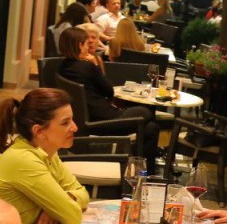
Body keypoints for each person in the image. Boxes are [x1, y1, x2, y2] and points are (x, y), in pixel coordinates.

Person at [0, 88, 88, 224]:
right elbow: (73, 216)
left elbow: (82, 193)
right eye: (65, 123)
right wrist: (58, 207)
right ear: (39, 131)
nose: (75, 128)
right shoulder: (24, 160)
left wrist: (53, 209)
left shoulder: (47, 152)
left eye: (72, 120)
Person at [55, 29, 159, 168]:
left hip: (89, 120)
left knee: (151, 128)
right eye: (86, 44)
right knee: (146, 111)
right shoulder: (86, 66)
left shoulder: (62, 67)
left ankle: (139, 166)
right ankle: (144, 169)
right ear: (80, 45)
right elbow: (109, 91)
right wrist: (96, 65)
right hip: (105, 122)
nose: (88, 47)